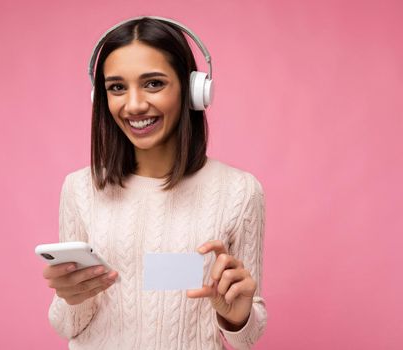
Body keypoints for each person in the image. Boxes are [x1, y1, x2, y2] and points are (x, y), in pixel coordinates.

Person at [42, 16, 267, 349]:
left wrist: (236, 315)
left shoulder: (239, 192)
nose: (133, 105)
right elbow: (66, 326)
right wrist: (73, 297)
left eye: (153, 83)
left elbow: (247, 335)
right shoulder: (80, 189)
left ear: (193, 90)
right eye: (117, 87)